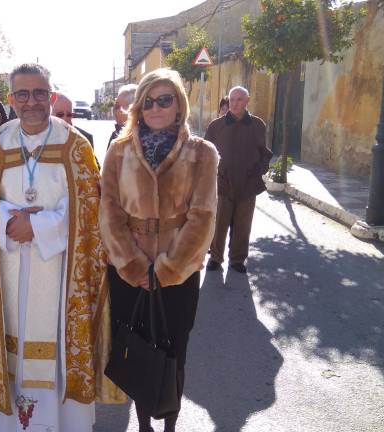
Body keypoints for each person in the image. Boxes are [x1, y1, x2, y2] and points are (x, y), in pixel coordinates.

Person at [0, 63, 123, 431]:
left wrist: (38, 226)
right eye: (23, 94)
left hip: (60, 272)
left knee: (59, 353)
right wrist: (10, 222)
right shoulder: (0, 140)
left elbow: (89, 208)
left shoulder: (74, 144)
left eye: (40, 93)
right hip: (9, 269)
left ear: (52, 97)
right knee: (13, 354)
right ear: (11, 99)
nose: (32, 102)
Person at [99, 68, 218, 432]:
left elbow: (202, 218)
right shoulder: (119, 150)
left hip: (178, 273)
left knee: (173, 350)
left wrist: (166, 269)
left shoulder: (202, 153)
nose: (155, 107)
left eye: (164, 99)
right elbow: (110, 211)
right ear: (138, 106)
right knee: (135, 344)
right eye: (148, 101)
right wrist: (134, 265)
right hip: (127, 270)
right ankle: (144, 424)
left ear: (179, 105)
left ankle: (170, 423)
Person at [205, 86, 273, 274]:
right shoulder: (216, 126)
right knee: (219, 223)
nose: (235, 103)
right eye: (232, 99)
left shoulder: (258, 125)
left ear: (247, 101)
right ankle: (216, 257)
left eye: (239, 99)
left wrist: (259, 170)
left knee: (243, 225)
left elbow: (264, 153)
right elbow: (206, 154)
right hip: (223, 184)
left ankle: (237, 259)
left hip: (248, 184)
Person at [107, 84, 137, 149]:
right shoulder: (115, 134)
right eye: (116, 106)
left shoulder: (141, 137)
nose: (114, 110)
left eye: (117, 106)